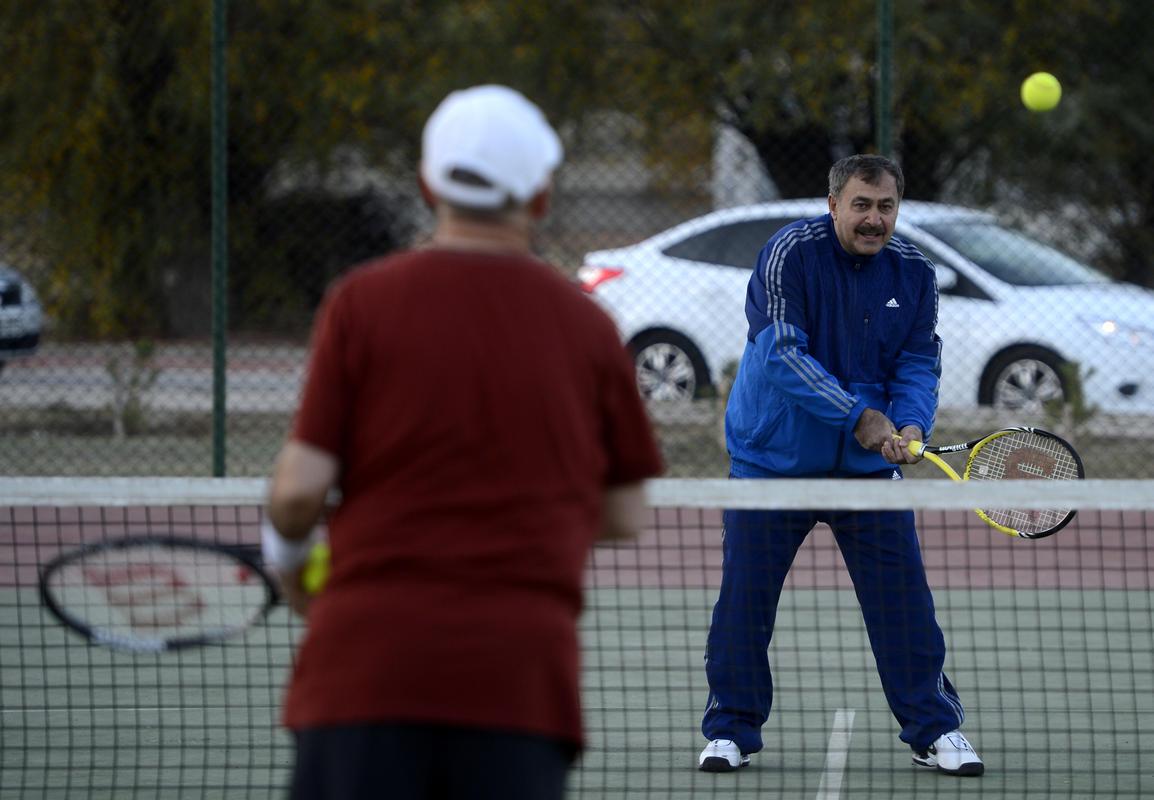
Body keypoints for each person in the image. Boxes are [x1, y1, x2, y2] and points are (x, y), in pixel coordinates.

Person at [261, 84, 664, 800]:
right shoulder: (587, 325)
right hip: (517, 687)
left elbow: (297, 491)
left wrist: (291, 564)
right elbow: (624, 513)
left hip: (362, 671)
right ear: (540, 198)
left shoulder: (360, 303)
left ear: (425, 185)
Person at [697, 154, 983, 777]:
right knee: (743, 603)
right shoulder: (788, 254)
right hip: (772, 463)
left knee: (905, 603)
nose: (873, 219)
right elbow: (780, 353)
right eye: (861, 205)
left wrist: (910, 425)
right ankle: (730, 731)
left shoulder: (914, 273)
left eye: (885, 207)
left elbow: (917, 362)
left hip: (866, 473)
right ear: (833, 205)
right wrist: (859, 417)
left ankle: (934, 730)